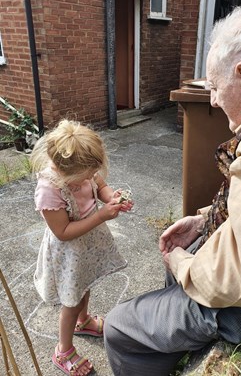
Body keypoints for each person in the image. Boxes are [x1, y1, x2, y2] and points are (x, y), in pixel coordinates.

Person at [103, 7, 241, 376]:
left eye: (215, 86)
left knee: (120, 327)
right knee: (178, 277)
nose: (213, 100)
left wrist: (181, 262)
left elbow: (239, 279)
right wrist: (202, 221)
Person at [30, 119, 133, 376]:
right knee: (71, 299)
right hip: (68, 253)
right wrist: (101, 216)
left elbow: (100, 186)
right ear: (69, 171)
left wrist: (112, 198)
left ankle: (83, 321)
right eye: (88, 172)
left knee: (85, 285)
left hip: (86, 246)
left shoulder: (82, 166)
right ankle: (63, 350)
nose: (93, 175)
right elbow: (62, 232)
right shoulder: (49, 189)